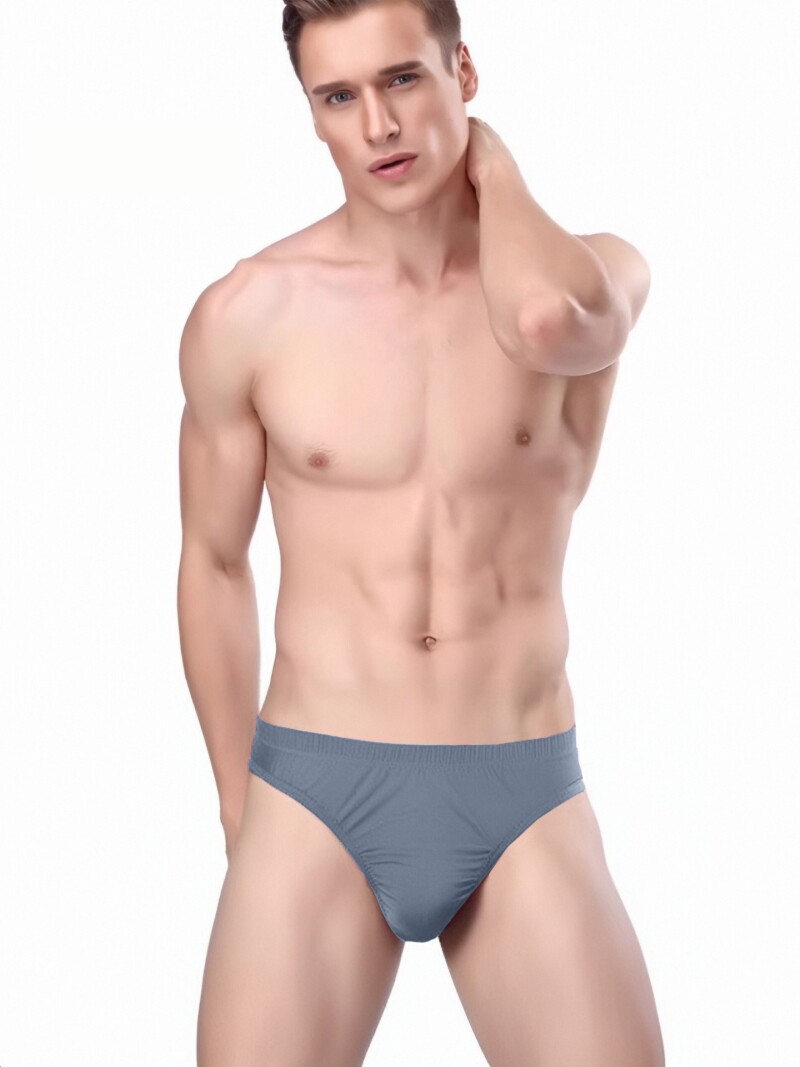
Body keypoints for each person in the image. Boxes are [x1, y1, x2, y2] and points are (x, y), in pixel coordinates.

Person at [177, 0, 663, 1063]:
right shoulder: (247, 313)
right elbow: (212, 561)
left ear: (464, 73)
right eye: (337, 97)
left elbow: (545, 323)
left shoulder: (596, 272)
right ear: (311, 113)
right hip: (316, 788)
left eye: (402, 79)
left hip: (521, 785)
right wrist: (236, 802)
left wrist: (494, 167)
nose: (378, 126)